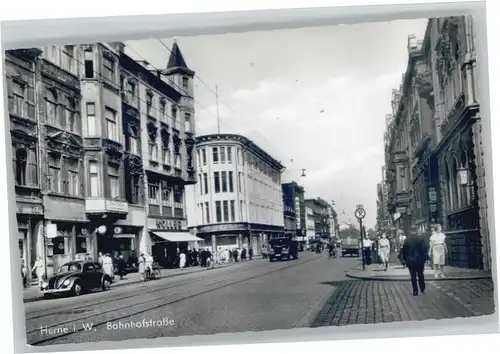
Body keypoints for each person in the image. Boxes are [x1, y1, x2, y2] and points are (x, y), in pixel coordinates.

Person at [402, 226, 428, 296]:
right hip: (419, 260)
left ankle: (415, 290)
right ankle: (422, 287)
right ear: (416, 230)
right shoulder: (420, 238)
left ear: (410, 231)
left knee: (413, 276)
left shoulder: (407, 240)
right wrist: (424, 258)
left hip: (410, 260)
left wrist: (405, 259)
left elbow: (404, 251)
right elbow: (424, 249)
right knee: (420, 274)